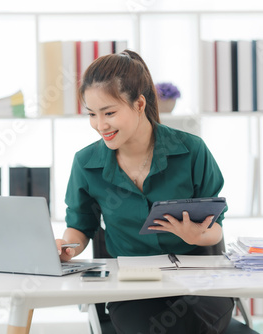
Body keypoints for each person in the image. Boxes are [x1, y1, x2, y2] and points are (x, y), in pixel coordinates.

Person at [56, 49, 233, 334]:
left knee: (190, 326)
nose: (100, 125)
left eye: (109, 113)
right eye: (92, 114)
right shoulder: (86, 163)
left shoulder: (192, 151)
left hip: (198, 282)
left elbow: (217, 229)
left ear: (139, 104)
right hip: (132, 287)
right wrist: (67, 248)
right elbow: (79, 226)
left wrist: (198, 235)